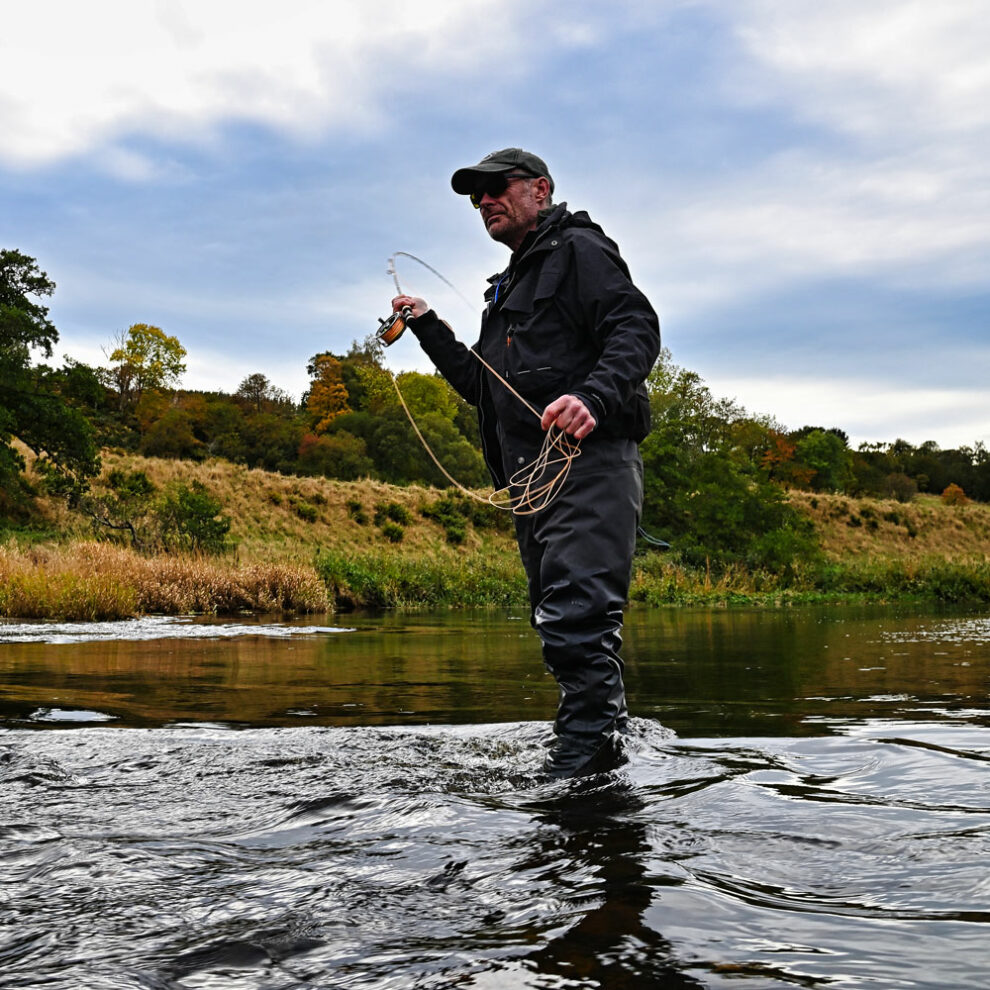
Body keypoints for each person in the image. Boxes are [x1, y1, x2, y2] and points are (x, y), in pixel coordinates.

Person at [391, 148, 660, 778]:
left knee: (576, 623)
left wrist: (593, 397)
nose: (484, 201)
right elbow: (483, 389)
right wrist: (428, 326)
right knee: (559, 624)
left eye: (497, 188)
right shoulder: (507, 288)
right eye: (475, 196)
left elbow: (636, 326)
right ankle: (599, 764)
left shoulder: (579, 250)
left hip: (589, 470)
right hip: (534, 488)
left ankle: (578, 779)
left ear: (540, 189)